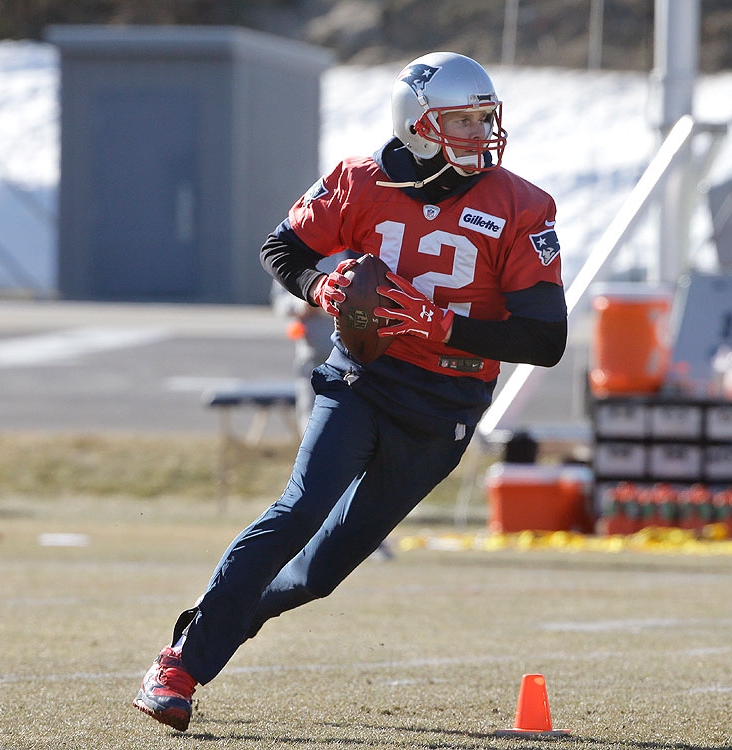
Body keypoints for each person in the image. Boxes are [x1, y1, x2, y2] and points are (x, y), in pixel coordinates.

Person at [132, 51, 568, 732]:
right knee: (299, 509)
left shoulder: (521, 204)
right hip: (364, 378)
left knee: (318, 573)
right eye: (461, 120)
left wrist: (442, 323)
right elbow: (283, 249)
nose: (480, 133)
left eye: (485, 118)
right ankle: (181, 665)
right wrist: (320, 287)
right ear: (419, 124)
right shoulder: (359, 180)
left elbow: (545, 341)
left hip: (445, 407)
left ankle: (212, 623)